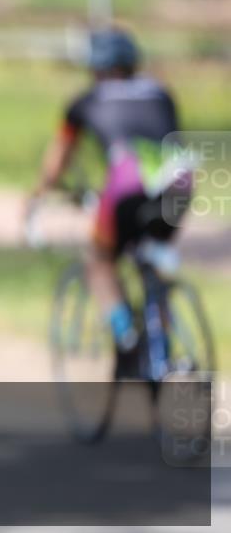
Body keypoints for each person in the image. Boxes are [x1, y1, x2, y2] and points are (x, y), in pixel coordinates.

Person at [30, 28, 191, 375]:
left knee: (98, 256)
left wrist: (39, 194)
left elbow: (58, 160)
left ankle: (126, 335)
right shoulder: (161, 92)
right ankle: (165, 345)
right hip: (179, 181)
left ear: (95, 68)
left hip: (127, 183)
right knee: (152, 260)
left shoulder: (85, 101)